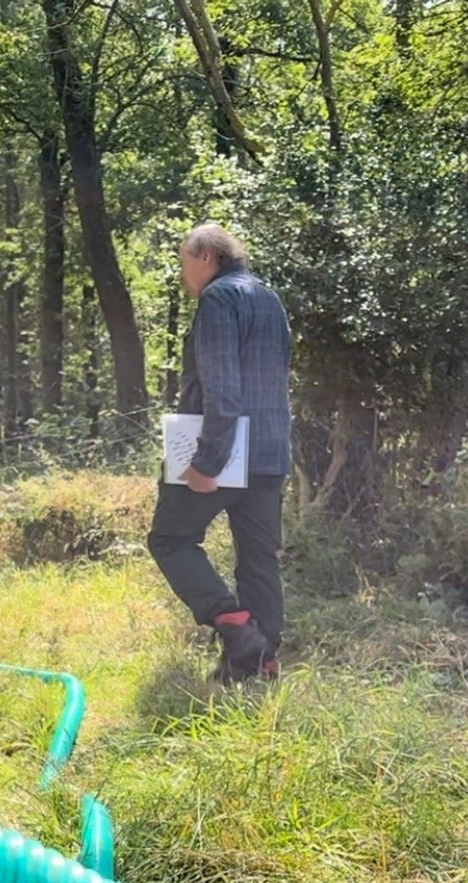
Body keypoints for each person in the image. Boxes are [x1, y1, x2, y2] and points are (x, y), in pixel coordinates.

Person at [147, 223, 293, 682]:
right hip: (270, 453)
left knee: (170, 539)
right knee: (258, 557)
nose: (182, 275)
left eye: (183, 262)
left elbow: (223, 389)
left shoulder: (217, 300)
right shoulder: (270, 298)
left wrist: (206, 463)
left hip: (225, 455)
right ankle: (259, 661)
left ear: (206, 256)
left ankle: (233, 625)